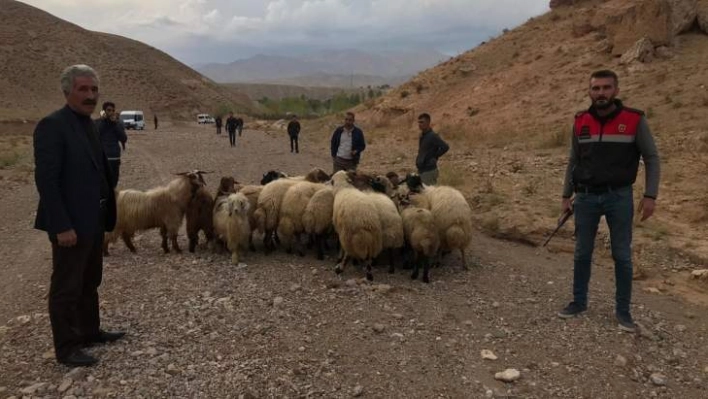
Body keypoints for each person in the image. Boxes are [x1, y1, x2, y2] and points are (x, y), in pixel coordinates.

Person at [33, 64, 125, 367]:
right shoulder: (52, 126)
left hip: (94, 220)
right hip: (70, 225)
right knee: (66, 287)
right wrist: (61, 226)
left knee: (90, 280)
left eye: (94, 89)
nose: (90, 96)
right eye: (83, 89)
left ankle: (89, 331)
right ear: (67, 91)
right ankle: (67, 347)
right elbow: (47, 181)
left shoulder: (89, 124)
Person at [558, 69, 660, 333]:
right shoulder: (580, 120)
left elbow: (651, 158)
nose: (600, 93)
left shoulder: (634, 119)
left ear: (615, 90)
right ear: (589, 91)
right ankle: (579, 302)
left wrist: (650, 195)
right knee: (581, 253)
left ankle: (623, 312)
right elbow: (573, 160)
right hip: (586, 198)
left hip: (619, 196)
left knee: (622, 255)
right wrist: (565, 195)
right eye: (595, 88)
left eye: (605, 88)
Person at [95, 101, 127, 188]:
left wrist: (115, 124)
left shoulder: (118, 123)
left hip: (114, 158)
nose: (111, 112)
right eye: (108, 110)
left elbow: (124, 138)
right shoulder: (98, 122)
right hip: (103, 158)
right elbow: (95, 135)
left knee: (113, 183)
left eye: (113, 110)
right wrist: (103, 121)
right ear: (104, 111)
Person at [415, 113, 449, 185]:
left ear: (428, 122)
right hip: (422, 169)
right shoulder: (422, 136)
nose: (420, 124)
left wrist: (435, 156)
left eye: (422, 122)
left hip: (429, 170)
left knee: (429, 193)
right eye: (419, 122)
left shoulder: (432, 136)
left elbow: (445, 147)